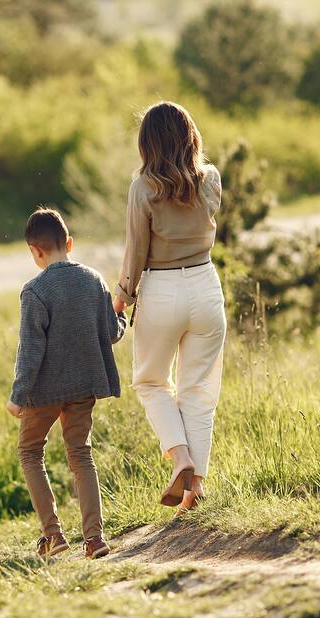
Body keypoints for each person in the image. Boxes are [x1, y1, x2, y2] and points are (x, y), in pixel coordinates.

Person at [112, 101, 226, 513]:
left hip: (161, 289)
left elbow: (136, 250)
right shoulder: (210, 179)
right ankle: (195, 489)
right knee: (199, 390)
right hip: (205, 284)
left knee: (151, 383)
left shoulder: (143, 187)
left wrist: (123, 295)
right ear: (190, 134)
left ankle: (180, 459)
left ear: (147, 143)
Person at [6, 208, 126, 560]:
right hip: (84, 386)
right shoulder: (94, 280)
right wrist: (120, 315)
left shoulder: (35, 291)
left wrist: (17, 396)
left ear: (35, 251)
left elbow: (31, 351)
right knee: (81, 455)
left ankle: (54, 536)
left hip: (42, 392)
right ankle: (95, 539)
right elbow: (111, 333)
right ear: (69, 243)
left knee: (30, 452)